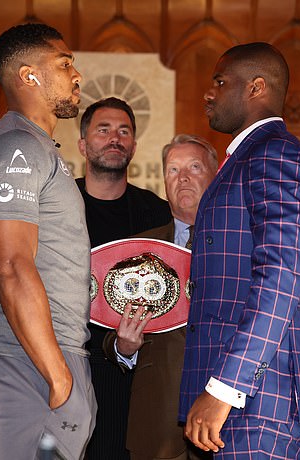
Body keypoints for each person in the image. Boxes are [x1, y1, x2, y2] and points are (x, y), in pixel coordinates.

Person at [178, 42, 300, 458]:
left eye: (220, 82)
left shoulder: (274, 152)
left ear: (256, 87)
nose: (209, 93)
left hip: (257, 398)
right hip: (238, 399)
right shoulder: (246, 157)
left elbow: (282, 275)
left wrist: (226, 388)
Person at [0, 23, 96, 459]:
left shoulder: (36, 147)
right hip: (30, 360)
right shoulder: (17, 148)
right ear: (29, 76)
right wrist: (59, 379)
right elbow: (10, 266)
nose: (77, 75)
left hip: (45, 355)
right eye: (64, 63)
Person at [103, 134, 217, 460]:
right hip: (156, 419)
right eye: (172, 169)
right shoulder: (138, 250)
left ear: (216, 175)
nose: (182, 177)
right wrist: (123, 348)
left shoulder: (242, 243)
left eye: (194, 167)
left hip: (226, 417)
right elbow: (109, 333)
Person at [75, 96, 171, 459]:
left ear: (133, 145)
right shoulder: (56, 204)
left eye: (124, 131)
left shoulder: (157, 214)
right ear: (83, 144)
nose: (115, 138)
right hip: (64, 365)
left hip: (133, 374)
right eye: (103, 130)